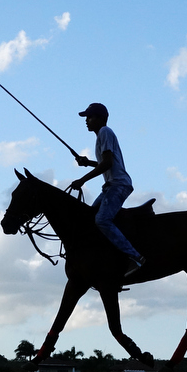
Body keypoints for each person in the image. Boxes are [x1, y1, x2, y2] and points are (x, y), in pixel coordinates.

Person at [70, 103, 146, 277]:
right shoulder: (102, 136)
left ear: (100, 118)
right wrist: (88, 163)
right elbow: (108, 163)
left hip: (119, 185)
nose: (86, 121)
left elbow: (108, 164)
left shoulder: (105, 132)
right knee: (91, 215)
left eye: (90, 117)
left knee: (102, 220)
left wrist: (82, 180)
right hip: (112, 186)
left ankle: (135, 257)